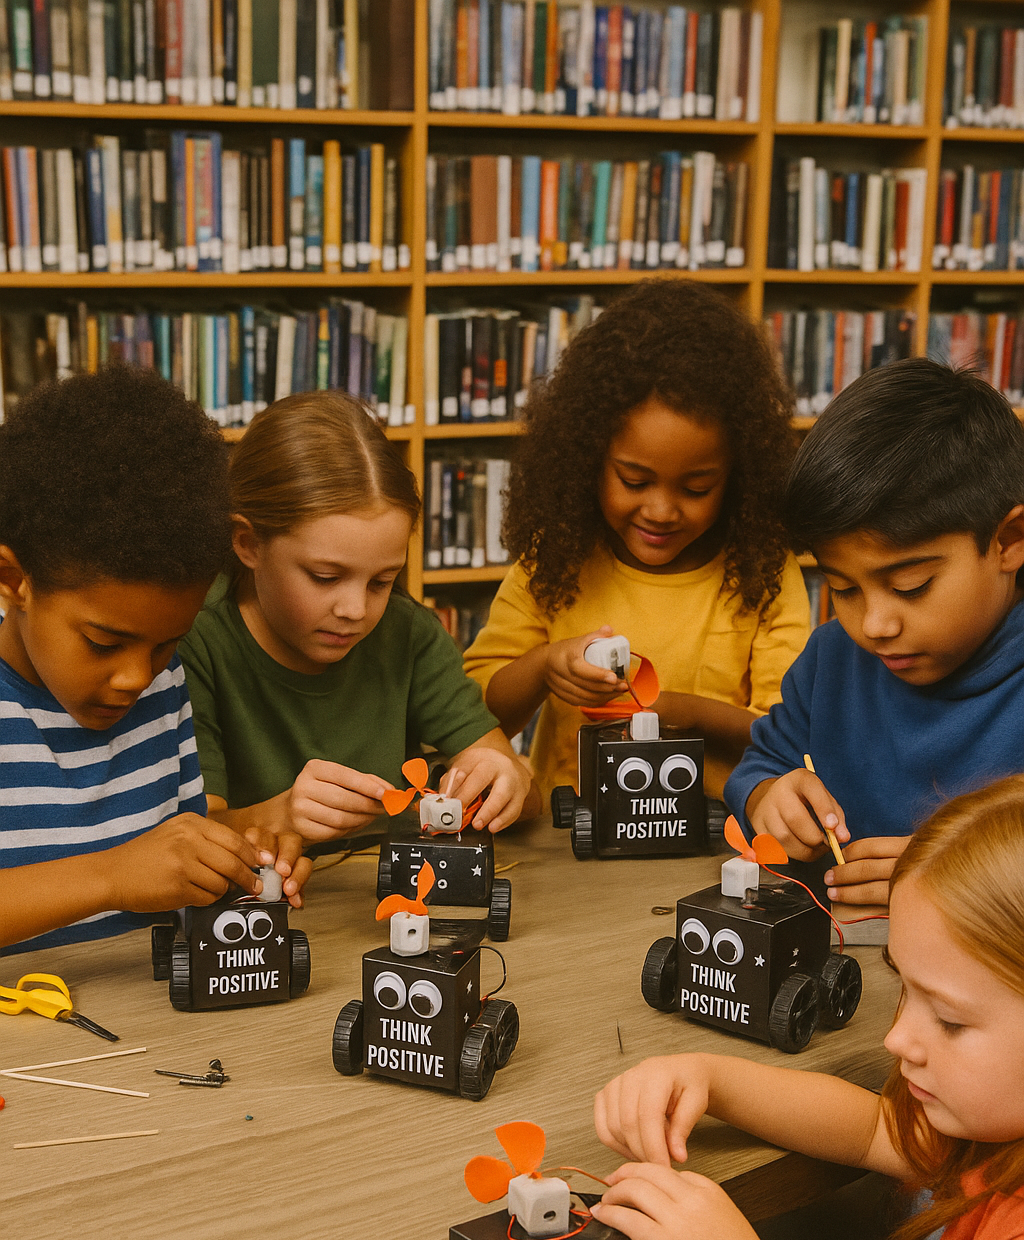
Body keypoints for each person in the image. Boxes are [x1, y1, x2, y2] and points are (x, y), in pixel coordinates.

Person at [594, 773, 1024, 1240]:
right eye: (904, 990)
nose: (898, 1040)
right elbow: (872, 1131)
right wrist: (711, 1078)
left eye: (950, 1022)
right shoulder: (996, 1135)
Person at [462, 281, 811, 804]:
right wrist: (544, 665)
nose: (661, 511)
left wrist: (679, 712)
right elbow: (477, 717)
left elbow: (789, 732)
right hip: (573, 829)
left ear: (738, 477)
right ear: (589, 458)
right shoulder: (557, 556)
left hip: (714, 829)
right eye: (634, 481)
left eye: (696, 489)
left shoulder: (763, 571)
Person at [0, 367, 286, 957]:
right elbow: (130, 869)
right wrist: (111, 876)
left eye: (166, 644)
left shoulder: (162, 683)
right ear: (13, 580)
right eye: (103, 643)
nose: (137, 677)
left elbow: (168, 854)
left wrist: (232, 860)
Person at [179, 392, 535, 854]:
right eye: (325, 577)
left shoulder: (408, 633)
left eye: (383, 581)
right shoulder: (194, 640)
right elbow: (187, 838)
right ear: (248, 544)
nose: (355, 610)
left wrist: (505, 780)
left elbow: (528, 796)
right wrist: (281, 815)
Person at [725, 358, 1024, 907]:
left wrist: (956, 877)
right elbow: (763, 764)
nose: (874, 625)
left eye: (911, 586)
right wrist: (769, 798)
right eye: (843, 588)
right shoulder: (831, 661)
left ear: (1009, 540)